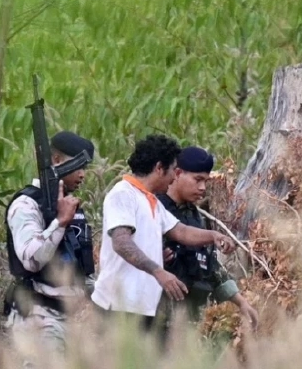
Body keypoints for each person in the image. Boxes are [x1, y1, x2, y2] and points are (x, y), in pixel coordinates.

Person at [90, 134, 230, 333]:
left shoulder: (152, 202)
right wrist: (159, 271)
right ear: (158, 168)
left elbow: (180, 231)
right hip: (118, 306)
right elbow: (121, 242)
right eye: (173, 170)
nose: (175, 177)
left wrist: (214, 236)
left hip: (142, 308)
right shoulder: (123, 194)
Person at [4, 130, 96, 351]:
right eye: (78, 166)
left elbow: (81, 267)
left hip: (75, 320)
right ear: (56, 160)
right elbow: (31, 259)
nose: (83, 175)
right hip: (39, 316)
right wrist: (60, 222)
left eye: (86, 168)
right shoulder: (26, 204)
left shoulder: (71, 206)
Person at [157, 146, 260, 331]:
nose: (203, 187)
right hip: (157, 319)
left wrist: (241, 302)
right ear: (178, 173)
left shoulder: (196, 217)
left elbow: (210, 267)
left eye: (206, 181)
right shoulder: (153, 208)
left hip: (189, 321)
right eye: (197, 180)